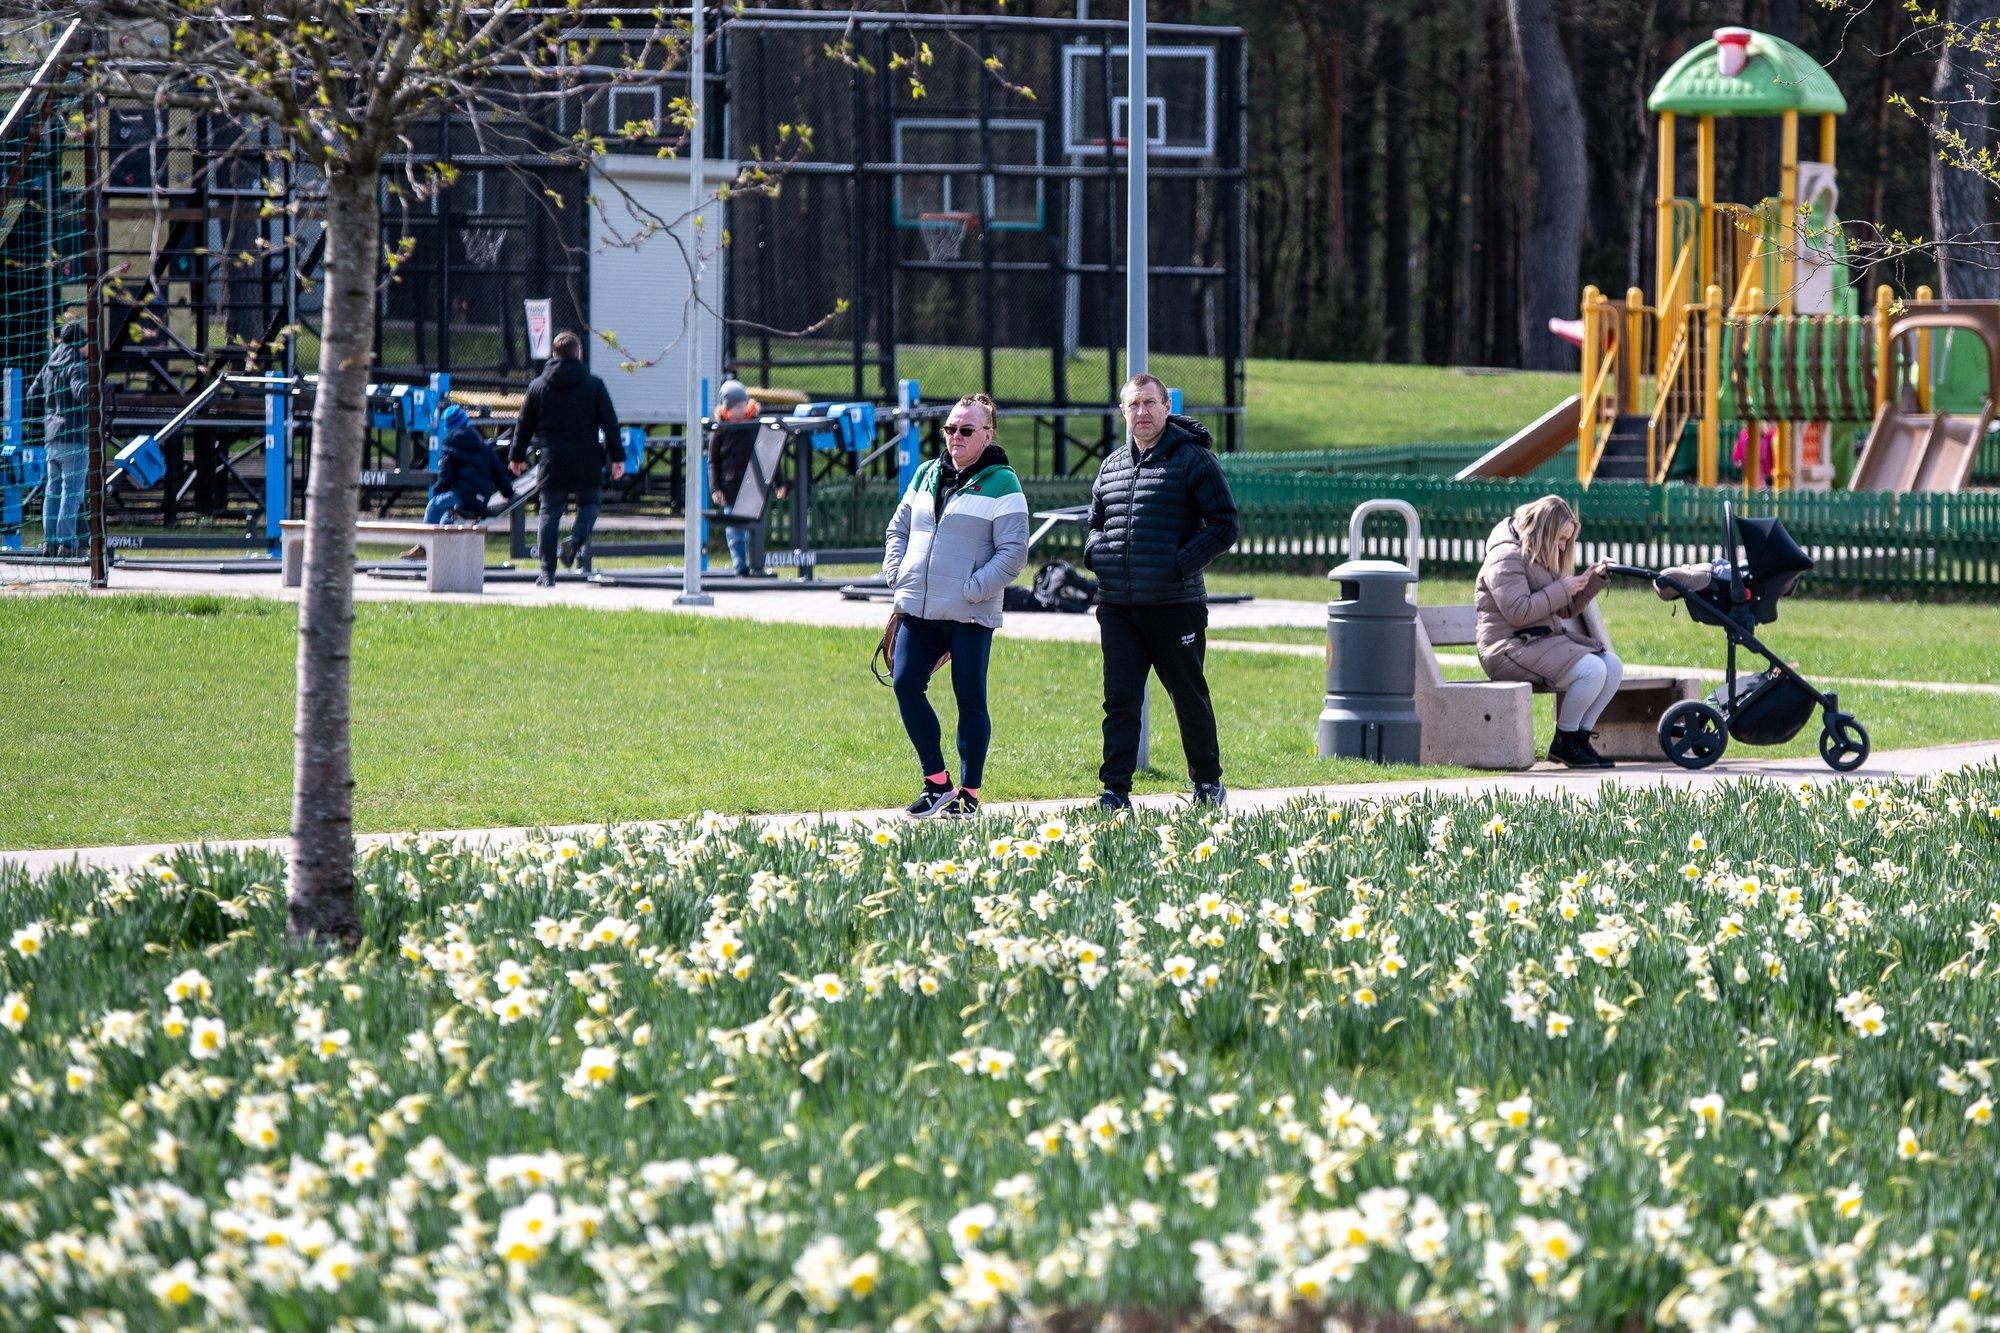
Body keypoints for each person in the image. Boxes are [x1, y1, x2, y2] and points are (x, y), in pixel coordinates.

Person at [1083, 373, 1239, 810]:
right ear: (1123, 412)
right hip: (1118, 608)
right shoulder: (1112, 465)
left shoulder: (1193, 460)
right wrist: (1097, 554)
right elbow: (1095, 521)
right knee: (1120, 702)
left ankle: (1207, 784)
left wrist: (1178, 565)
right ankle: (1115, 791)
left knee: (1189, 698)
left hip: (1175, 606)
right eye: (1134, 405)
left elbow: (1225, 525)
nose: (1142, 412)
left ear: (1167, 408)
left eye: (1150, 403)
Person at [882, 392, 1029, 819]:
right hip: (919, 608)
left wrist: (973, 588)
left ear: (988, 433)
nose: (955, 437)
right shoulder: (926, 473)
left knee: (970, 700)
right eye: (949, 428)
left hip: (970, 612)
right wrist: (898, 571)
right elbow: (899, 528)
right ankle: (937, 783)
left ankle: (969, 793)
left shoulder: (1004, 482)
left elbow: (1013, 552)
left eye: (966, 430)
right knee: (905, 683)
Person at [1473, 494, 1621, 769]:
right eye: (1561, 539)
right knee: (1593, 669)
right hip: (1507, 650)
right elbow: (1518, 612)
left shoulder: (1537, 554)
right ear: (1544, 531)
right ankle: (1564, 741)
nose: (1564, 546)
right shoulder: (1505, 556)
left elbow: (1564, 610)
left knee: (1612, 666)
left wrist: (1592, 580)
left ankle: (1578, 739)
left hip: (1536, 642)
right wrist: (1562, 588)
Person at [508, 330, 624, 586]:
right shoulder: (594, 385)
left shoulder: (538, 386)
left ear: (553, 355)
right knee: (590, 505)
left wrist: (516, 456)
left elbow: (524, 425)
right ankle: (574, 541)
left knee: (549, 513)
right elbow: (610, 423)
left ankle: (547, 573)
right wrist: (617, 457)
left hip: (553, 459)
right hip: (586, 459)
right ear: (579, 354)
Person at [401, 406, 512, 559]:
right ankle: (440, 553)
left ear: (448, 426)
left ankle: (424, 547)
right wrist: (508, 492)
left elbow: (446, 475)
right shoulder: (483, 445)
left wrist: (438, 492)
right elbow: (498, 471)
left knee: (433, 506)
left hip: (463, 493)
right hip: (481, 497)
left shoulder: (451, 444)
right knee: (446, 517)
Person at [29, 320, 90, 558]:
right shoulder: (76, 365)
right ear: (81, 343)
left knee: (52, 491)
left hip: (51, 436)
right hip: (74, 436)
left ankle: (49, 542)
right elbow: (82, 392)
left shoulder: (49, 365)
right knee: (72, 492)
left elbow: (32, 394)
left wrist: (51, 410)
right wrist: (100, 388)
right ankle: (67, 541)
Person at [707, 379, 770, 576]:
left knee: (754, 528)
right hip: (730, 487)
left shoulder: (754, 425)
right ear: (726, 409)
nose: (740, 411)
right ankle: (740, 566)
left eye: (743, 406)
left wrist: (778, 482)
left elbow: (767, 453)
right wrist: (715, 488)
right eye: (735, 407)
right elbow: (713, 462)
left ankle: (757, 564)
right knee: (734, 532)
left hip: (753, 487)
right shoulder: (721, 431)